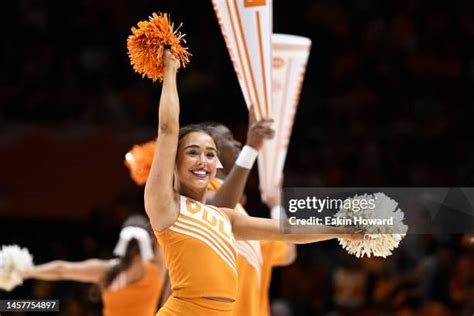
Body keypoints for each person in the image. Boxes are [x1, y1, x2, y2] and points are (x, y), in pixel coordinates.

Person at [145, 50, 361, 315]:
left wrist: (339, 230)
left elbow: (284, 230)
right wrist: (170, 70)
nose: (203, 160)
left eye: (210, 154)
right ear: (174, 164)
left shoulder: (225, 218)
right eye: (192, 152)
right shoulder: (166, 205)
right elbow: (167, 129)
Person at [205, 115, 297, 316]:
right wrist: (251, 149)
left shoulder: (244, 218)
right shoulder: (199, 196)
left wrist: (276, 206)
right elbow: (217, 213)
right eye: (228, 138)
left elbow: (287, 253)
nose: (237, 142)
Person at [20, 215, 166, 316]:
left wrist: (25, 271)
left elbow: (61, 270)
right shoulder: (158, 268)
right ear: (151, 241)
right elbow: (164, 224)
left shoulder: (106, 270)